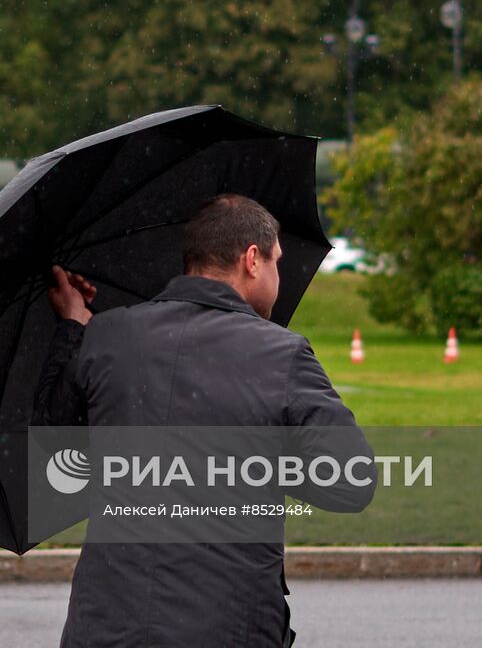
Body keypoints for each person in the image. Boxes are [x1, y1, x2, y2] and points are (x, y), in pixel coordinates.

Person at [34, 193, 373, 648]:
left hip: (107, 623)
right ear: (252, 259)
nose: (279, 275)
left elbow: (53, 452)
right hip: (225, 623)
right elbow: (351, 482)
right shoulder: (280, 353)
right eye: (277, 261)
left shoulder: (107, 335)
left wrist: (74, 325)